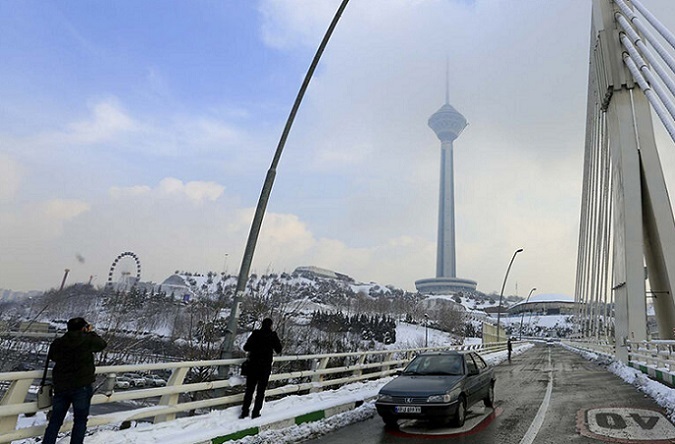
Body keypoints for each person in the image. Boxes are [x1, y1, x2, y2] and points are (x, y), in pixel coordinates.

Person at [43, 317, 107, 444]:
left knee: (55, 420)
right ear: (84, 328)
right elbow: (102, 344)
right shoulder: (88, 340)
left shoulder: (59, 342)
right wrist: (90, 333)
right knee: (80, 420)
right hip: (81, 386)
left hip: (61, 386)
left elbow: (53, 357)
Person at [240, 318, 282, 419]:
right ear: (271, 325)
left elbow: (246, 347)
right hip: (265, 368)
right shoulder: (273, 335)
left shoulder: (255, 334)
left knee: (249, 390)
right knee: (260, 391)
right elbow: (278, 349)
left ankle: (245, 412)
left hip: (253, 366)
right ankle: (255, 413)